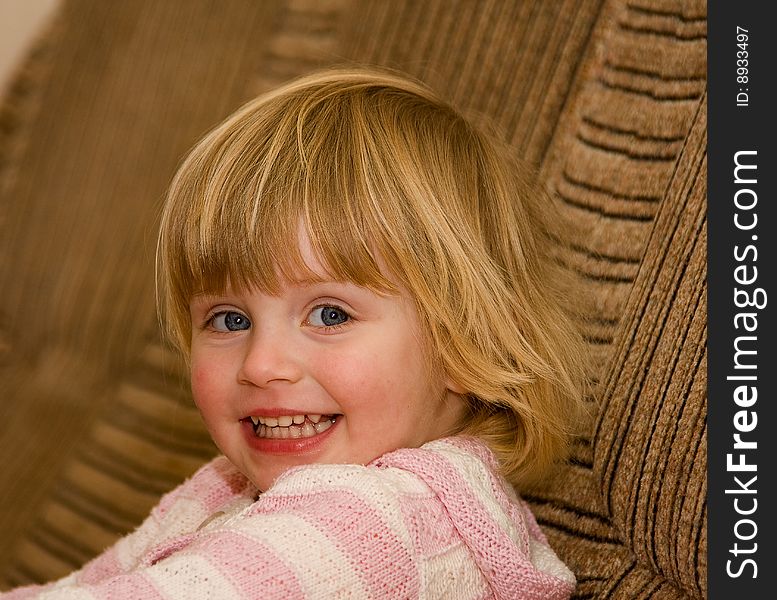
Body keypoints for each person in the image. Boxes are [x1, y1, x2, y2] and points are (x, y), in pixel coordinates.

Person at [2, 66, 587, 599]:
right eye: (230, 320)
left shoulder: (385, 525)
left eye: (330, 315)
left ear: (468, 344)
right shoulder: (234, 488)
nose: (261, 364)